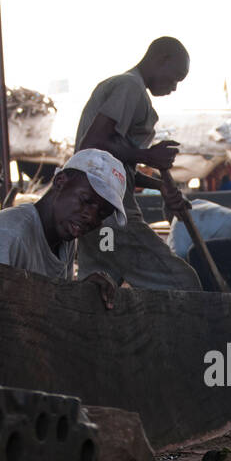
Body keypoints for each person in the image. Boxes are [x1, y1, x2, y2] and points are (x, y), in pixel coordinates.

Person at [74, 37, 201, 291]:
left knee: (99, 287)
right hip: (111, 215)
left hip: (96, 221)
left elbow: (114, 164)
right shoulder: (130, 86)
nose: (174, 87)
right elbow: (92, 145)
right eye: (175, 77)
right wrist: (147, 157)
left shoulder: (124, 87)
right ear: (161, 59)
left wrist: (159, 185)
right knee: (183, 283)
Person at [0, 149, 129, 307]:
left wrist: (79, 294)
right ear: (60, 181)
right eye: (85, 201)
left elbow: (47, 307)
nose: (91, 218)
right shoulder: (7, 235)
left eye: (101, 214)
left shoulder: (65, 238)